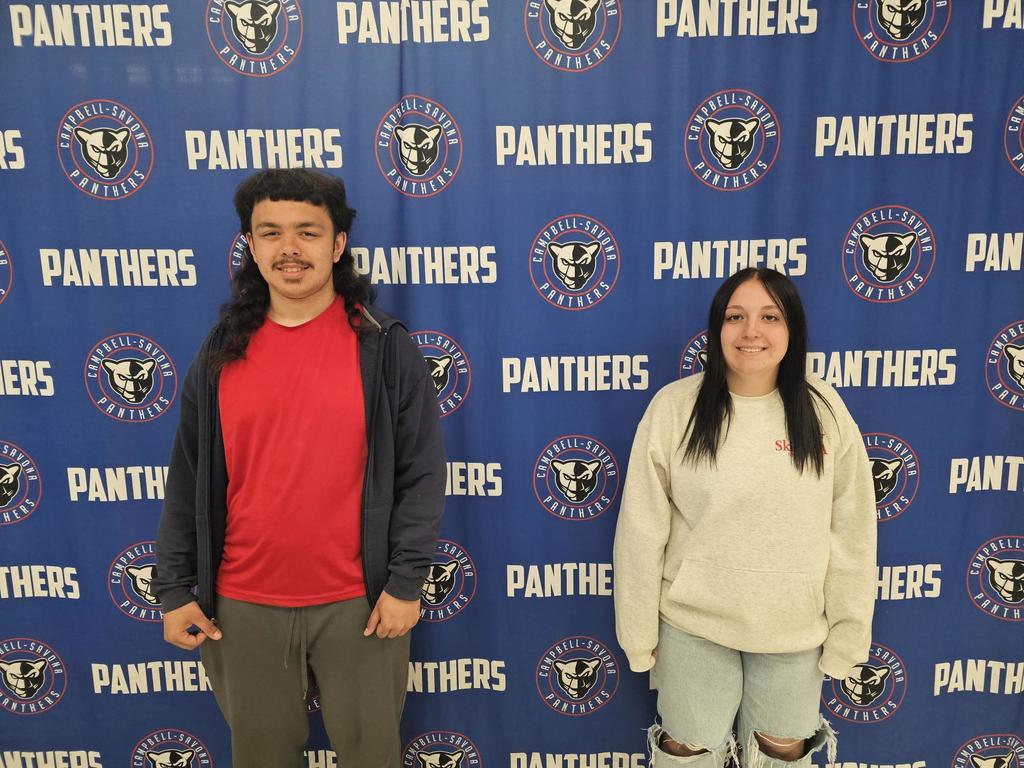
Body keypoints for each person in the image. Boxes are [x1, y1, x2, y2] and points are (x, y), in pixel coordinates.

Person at [153, 169, 445, 767]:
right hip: (241, 605)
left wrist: (406, 582)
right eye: (271, 233)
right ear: (252, 246)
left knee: (372, 758)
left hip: (360, 606)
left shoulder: (384, 347)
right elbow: (187, 479)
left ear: (337, 246)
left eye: (307, 232)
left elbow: (421, 474)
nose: (290, 249)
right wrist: (173, 588)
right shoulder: (219, 352)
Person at [613, 268, 876, 768]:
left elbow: (853, 533)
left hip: (793, 633)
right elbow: (641, 531)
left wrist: (848, 635)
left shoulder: (824, 411)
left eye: (769, 317)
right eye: (736, 317)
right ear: (717, 329)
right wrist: (639, 635)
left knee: (780, 756)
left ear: (791, 329)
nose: (751, 331)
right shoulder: (675, 409)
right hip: (694, 628)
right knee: (688, 754)